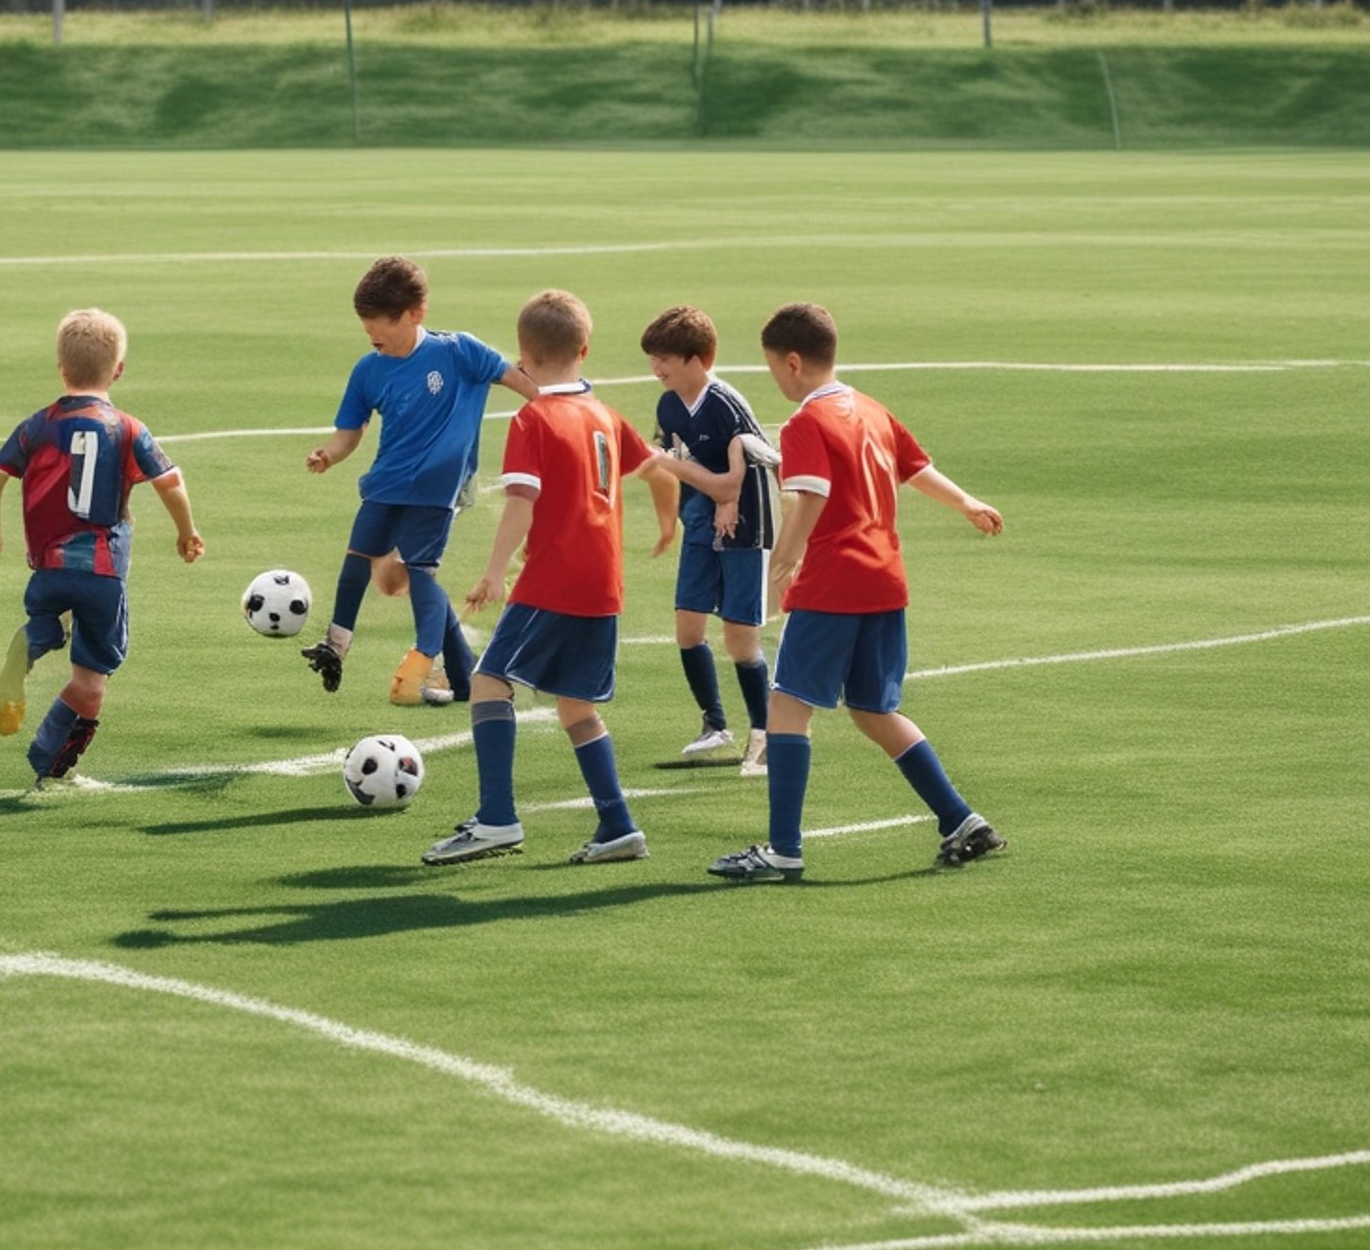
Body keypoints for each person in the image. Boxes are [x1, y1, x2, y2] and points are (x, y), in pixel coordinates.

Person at [710, 301, 1006, 884]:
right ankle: (961, 819)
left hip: (833, 583)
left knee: (788, 704)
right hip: (884, 580)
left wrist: (787, 557)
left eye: (773, 367)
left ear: (792, 362)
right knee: (874, 710)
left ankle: (783, 850)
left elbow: (811, 496)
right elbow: (914, 467)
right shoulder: (869, 409)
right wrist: (967, 501)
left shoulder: (805, 425)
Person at [422, 289, 678, 867]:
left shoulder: (533, 418)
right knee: (576, 707)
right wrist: (667, 524)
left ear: (522, 356)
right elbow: (658, 471)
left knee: (489, 682)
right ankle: (618, 825)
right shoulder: (605, 415)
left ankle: (496, 819)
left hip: (554, 579)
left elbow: (521, 504)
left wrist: (492, 573)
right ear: (584, 348)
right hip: (603, 583)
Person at [0, 307, 203, 790]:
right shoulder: (127, 428)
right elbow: (170, 481)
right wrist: (186, 532)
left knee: (47, 621)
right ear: (117, 369)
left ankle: (33, 642)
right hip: (101, 573)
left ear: (61, 368)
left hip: (48, 571)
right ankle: (52, 767)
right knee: (91, 682)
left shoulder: (36, 425)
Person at [301, 256, 534, 706]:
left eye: (380, 325)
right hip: (385, 483)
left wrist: (563, 409)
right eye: (365, 326)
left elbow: (520, 381)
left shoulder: (458, 351)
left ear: (414, 313)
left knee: (420, 576)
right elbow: (351, 431)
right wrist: (329, 454)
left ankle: (420, 665)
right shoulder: (368, 369)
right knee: (358, 558)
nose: (372, 336)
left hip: (436, 490)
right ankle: (337, 645)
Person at [640, 305, 780, 773]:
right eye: (653, 359)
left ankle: (765, 733)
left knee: (740, 638)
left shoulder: (725, 404)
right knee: (688, 627)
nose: (657, 369)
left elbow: (741, 475)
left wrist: (715, 488)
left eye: (666, 359)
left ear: (698, 359)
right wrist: (683, 510)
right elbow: (684, 468)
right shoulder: (668, 405)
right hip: (701, 520)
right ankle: (715, 723)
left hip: (745, 526)